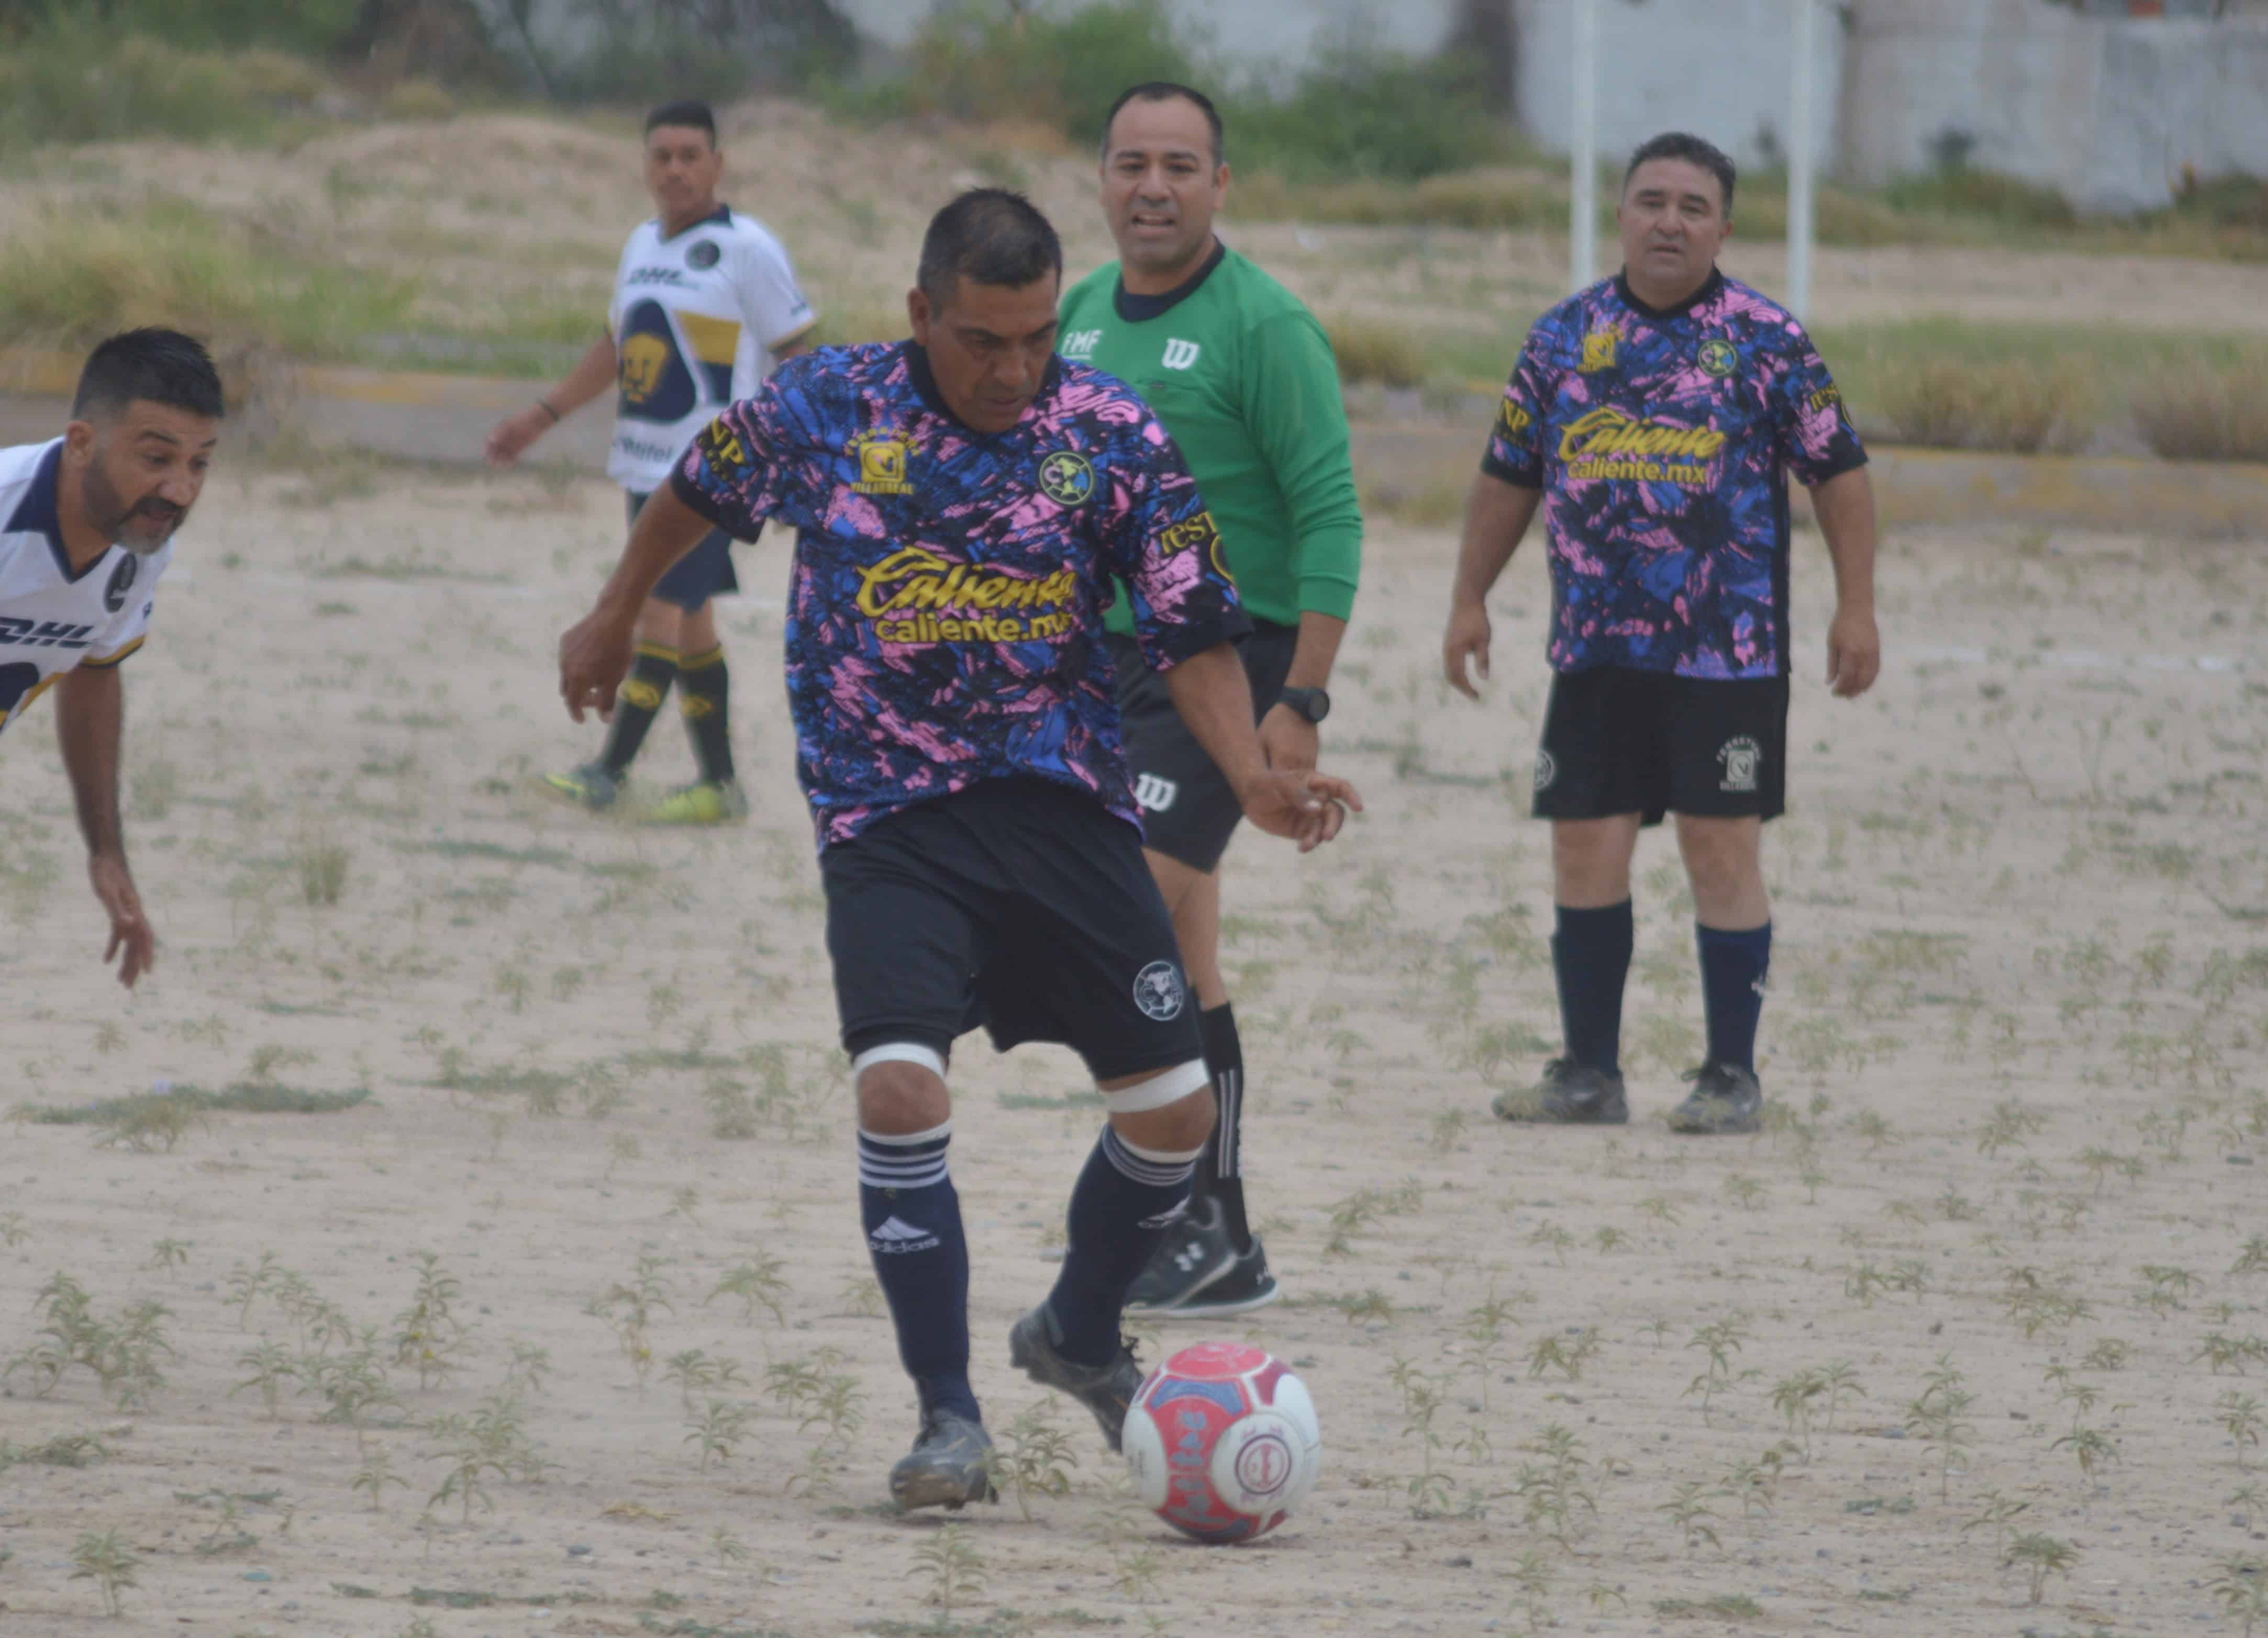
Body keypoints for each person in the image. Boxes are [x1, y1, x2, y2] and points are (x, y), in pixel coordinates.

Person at [557, 190, 1360, 1512]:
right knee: (898, 1094)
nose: (1014, 369)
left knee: (1175, 1117)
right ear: (921, 313)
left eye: (1038, 337)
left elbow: (1192, 629)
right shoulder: (831, 408)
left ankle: (1078, 1335)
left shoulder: (1106, 433)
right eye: (984, 340)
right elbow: (695, 485)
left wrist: (1250, 781)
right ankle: (947, 1419)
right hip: (889, 821)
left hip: (1063, 806)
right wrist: (611, 614)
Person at [1441, 131, 1880, 1135]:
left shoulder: (1766, 339)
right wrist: (1470, 596)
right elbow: (1510, 473)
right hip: (1596, 646)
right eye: (1650, 201)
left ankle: (1730, 1073)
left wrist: (1855, 604)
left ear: (1723, 226)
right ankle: (1588, 1073)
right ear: (1621, 214)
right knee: (1582, 845)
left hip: (1725, 649)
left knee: (1717, 847)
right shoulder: (1565, 337)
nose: (1669, 220)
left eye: (1691, 205)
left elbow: (1839, 472)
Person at [1055, 82, 1362, 1318]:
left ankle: (1156, 1210)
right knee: (1177, 959)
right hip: (1104, 665)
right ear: (1101, 178)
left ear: (1219, 185)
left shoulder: (1265, 326)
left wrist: (1301, 697)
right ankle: (1214, 1232)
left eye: (1179, 165)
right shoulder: (1073, 313)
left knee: (1131, 925)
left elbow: (1330, 514)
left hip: (1227, 659)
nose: (1152, 186)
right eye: (1130, 162)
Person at [487, 98, 818, 823]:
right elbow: (616, 346)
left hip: (714, 475)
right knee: (691, 622)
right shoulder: (641, 244)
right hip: (645, 467)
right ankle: (720, 786)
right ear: (646, 165)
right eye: (661, 156)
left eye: (690, 155)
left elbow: (797, 352)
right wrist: (540, 417)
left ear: (718, 164)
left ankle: (610, 772)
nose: (675, 169)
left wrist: (799, 462)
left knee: (654, 613)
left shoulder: (748, 249)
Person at [0, 328, 225, 988]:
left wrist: (107, 851)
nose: (179, 490)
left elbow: (94, 676)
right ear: (81, 443)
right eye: (156, 458)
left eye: (199, 463)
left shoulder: (139, 549)